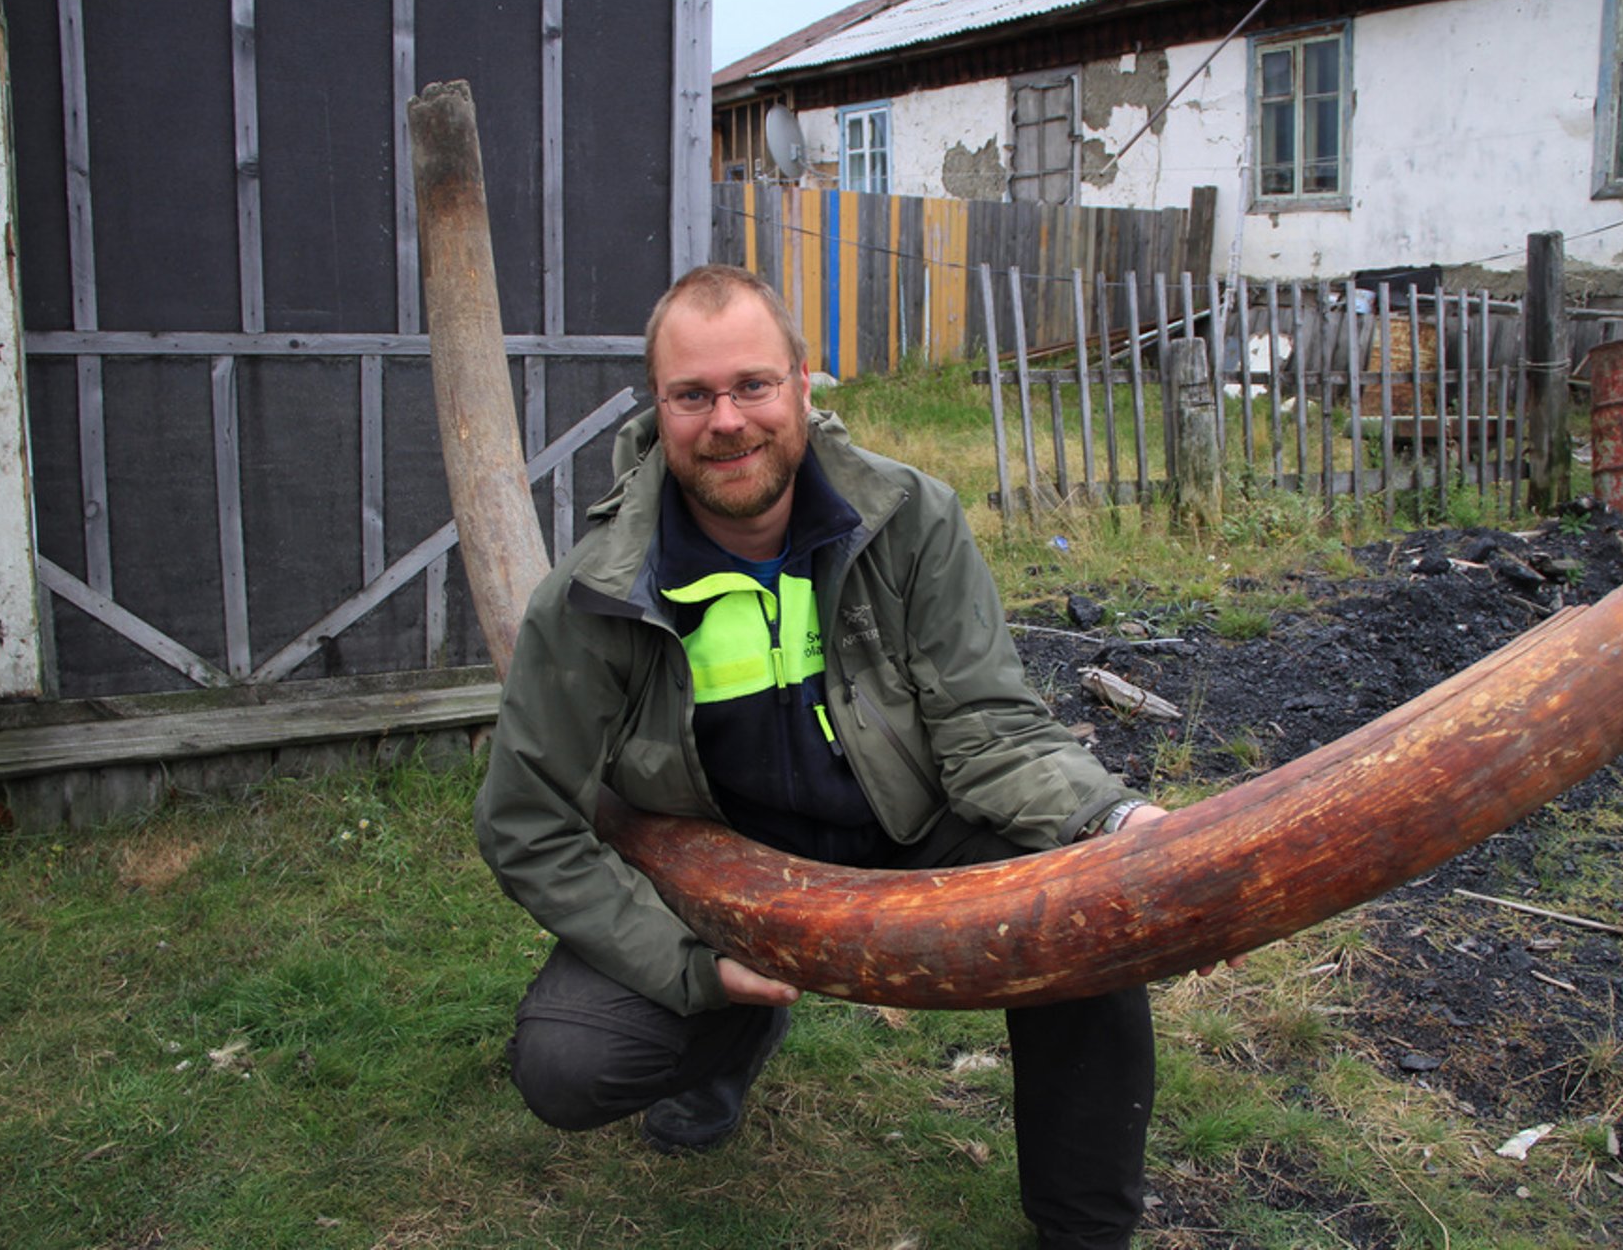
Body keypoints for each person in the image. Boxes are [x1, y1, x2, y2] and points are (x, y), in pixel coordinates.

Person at [475, 264, 1172, 1248]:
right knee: (569, 1061)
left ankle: (1083, 1230)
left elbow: (990, 727)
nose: (727, 420)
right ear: (660, 408)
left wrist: (1112, 819)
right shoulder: (592, 595)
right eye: (694, 394)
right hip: (721, 876)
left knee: (1086, 926)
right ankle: (731, 1030)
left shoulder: (911, 519)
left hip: (908, 827)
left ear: (805, 384)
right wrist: (686, 966)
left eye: (753, 384)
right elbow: (525, 819)